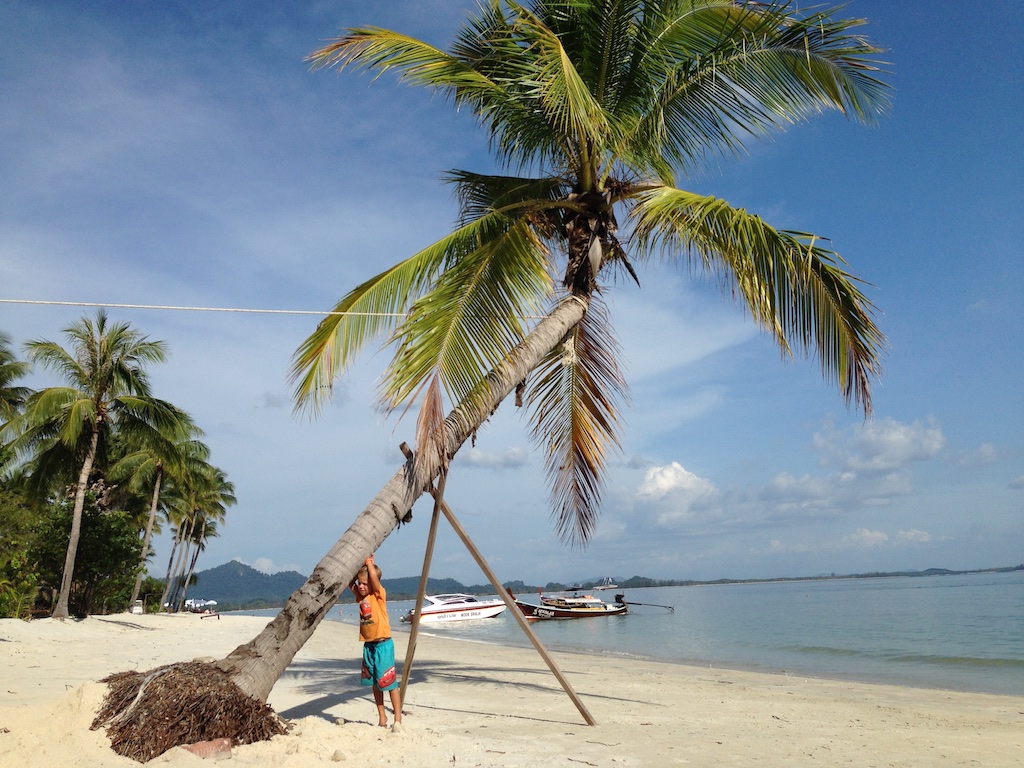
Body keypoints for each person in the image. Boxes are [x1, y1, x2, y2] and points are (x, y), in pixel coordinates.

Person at [350, 554, 403, 730]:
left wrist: (369, 562)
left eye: (366, 583)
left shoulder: (379, 595)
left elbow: (373, 576)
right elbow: (350, 583)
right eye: (360, 583)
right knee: (375, 684)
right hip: (369, 646)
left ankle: (397, 718)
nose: (362, 586)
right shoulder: (360, 596)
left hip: (383, 646)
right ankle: (382, 717)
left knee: (389, 682)